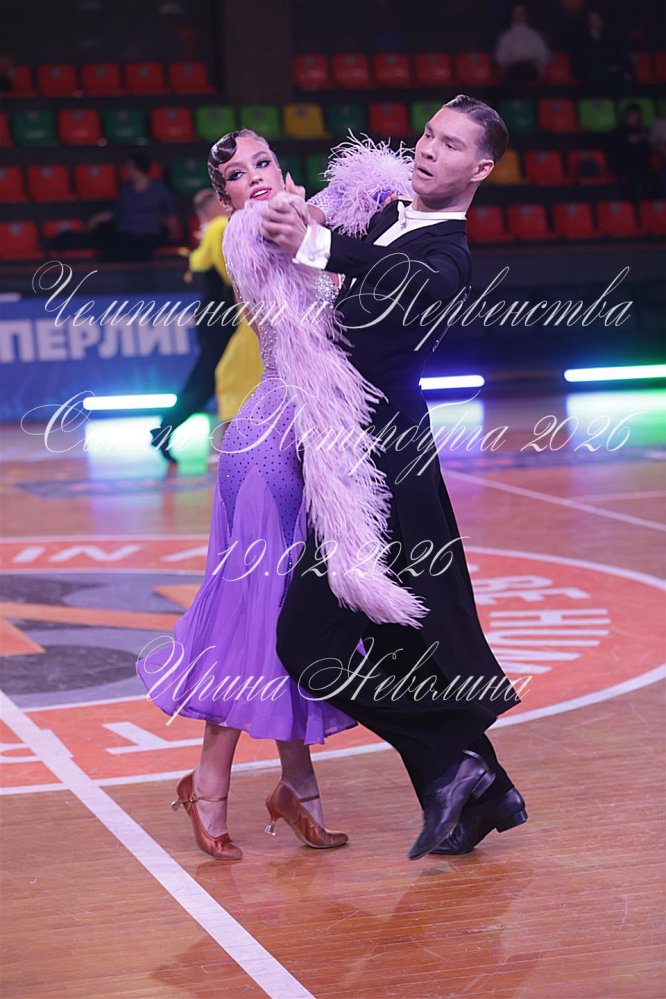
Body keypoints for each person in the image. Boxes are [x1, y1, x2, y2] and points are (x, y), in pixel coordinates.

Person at [136, 128, 415, 861]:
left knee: (290, 622)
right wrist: (317, 213)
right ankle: (209, 784)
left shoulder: (303, 217)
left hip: (309, 441)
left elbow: (366, 210)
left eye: (262, 162)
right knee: (249, 619)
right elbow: (306, 240)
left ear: (282, 167)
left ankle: (298, 789)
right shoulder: (243, 235)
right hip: (266, 451)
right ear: (222, 196)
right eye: (236, 173)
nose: (253, 177)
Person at [262, 95, 527, 860]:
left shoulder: (448, 253)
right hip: (344, 455)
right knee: (401, 638)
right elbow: (340, 258)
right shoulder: (385, 217)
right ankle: (475, 785)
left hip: (384, 466)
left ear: (480, 169)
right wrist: (297, 216)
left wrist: (318, 245)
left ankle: (463, 768)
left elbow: (414, 279)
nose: (430, 150)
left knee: (309, 641)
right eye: (428, 135)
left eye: (452, 145)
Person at [150, 188, 262, 462]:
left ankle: (167, 428)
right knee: (208, 379)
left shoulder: (209, 233)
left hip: (213, 316)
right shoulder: (221, 228)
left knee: (208, 377)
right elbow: (234, 275)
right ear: (212, 207)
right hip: (224, 316)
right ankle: (166, 428)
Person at [88, 154, 179, 262]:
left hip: (149, 234)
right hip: (126, 233)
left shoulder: (159, 189)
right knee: (112, 250)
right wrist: (96, 218)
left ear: (138, 170)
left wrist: (173, 232)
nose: (127, 171)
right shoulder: (125, 189)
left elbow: (171, 213)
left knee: (143, 253)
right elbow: (115, 211)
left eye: (129, 168)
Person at [494, 3, 551, 91]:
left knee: (517, 75)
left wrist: (530, 60)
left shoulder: (534, 35)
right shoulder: (505, 36)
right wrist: (514, 62)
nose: (519, 16)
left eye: (521, 13)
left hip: (531, 69)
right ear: (512, 15)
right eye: (516, 13)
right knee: (514, 74)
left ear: (526, 15)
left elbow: (545, 55)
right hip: (512, 69)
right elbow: (500, 58)